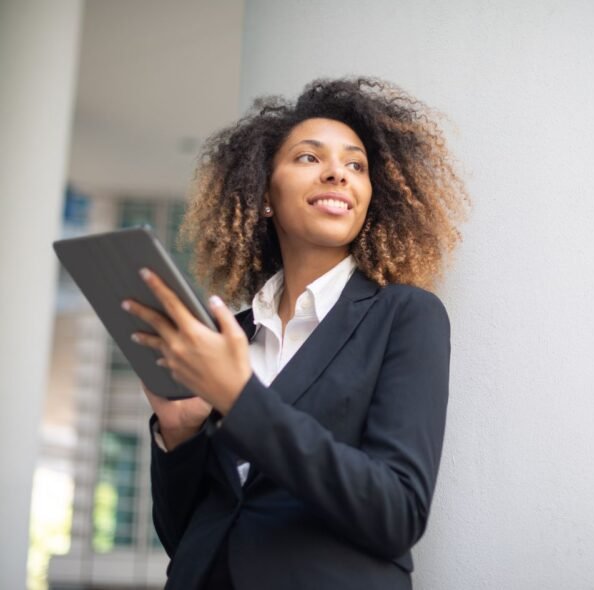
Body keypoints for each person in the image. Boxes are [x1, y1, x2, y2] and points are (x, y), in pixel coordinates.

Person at [122, 77, 469, 590]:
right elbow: (190, 538)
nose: (337, 173)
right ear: (264, 194)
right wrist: (180, 433)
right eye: (309, 157)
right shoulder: (230, 337)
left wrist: (239, 400)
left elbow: (397, 513)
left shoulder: (405, 316)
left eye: (356, 165)